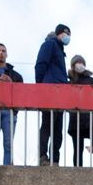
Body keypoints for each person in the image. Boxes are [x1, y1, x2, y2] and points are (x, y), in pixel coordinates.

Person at [34, 24, 70, 165]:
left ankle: (55, 159)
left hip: (60, 94)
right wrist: (41, 87)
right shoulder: (49, 45)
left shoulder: (60, 51)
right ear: (58, 33)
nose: (67, 37)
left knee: (57, 129)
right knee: (48, 125)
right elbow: (40, 64)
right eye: (65, 33)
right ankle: (43, 156)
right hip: (49, 92)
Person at [0, 43, 23, 165]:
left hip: (9, 111)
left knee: (8, 144)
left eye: (3, 51)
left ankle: (6, 171)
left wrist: (11, 84)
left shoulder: (16, 76)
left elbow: (21, 94)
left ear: (6, 54)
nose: (1, 53)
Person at [65, 55, 93, 167]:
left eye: (82, 62)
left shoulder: (91, 80)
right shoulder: (69, 82)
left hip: (92, 118)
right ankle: (78, 169)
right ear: (73, 65)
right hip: (76, 118)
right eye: (77, 62)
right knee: (77, 148)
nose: (80, 64)